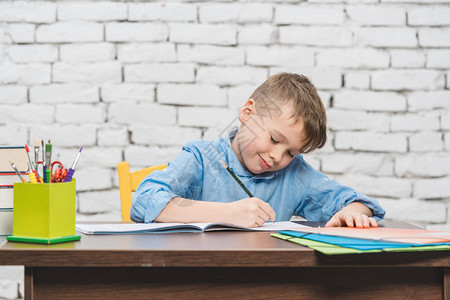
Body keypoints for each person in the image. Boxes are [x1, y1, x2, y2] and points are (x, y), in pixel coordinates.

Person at [131, 73, 385, 228]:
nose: (278, 157)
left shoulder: (294, 175)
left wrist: (353, 214)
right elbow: (144, 201)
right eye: (275, 139)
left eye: (291, 152)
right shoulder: (202, 158)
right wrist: (227, 213)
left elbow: (357, 202)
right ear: (248, 113)